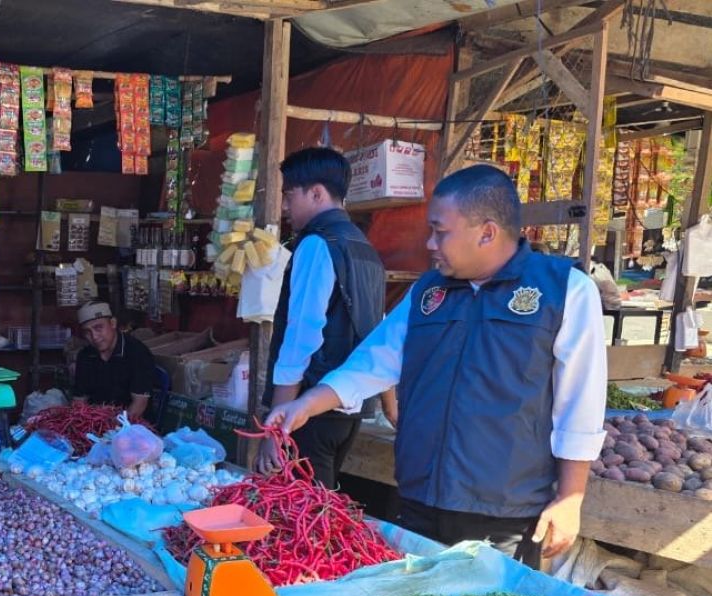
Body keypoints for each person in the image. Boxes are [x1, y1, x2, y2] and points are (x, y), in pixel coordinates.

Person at [267, 164, 606, 568]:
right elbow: (374, 362)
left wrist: (570, 498)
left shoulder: (563, 290)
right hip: (419, 499)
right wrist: (306, 404)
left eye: (440, 231)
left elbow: (580, 403)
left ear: (486, 231)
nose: (429, 243)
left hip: (505, 514)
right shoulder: (429, 292)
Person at [254, 146, 392, 488]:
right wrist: (390, 406)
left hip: (309, 411)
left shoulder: (317, 244)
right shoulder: (363, 247)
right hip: (347, 411)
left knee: (301, 516)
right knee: (319, 511)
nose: (285, 207)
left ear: (316, 193)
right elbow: (380, 329)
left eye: (289, 195)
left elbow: (299, 340)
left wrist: (276, 428)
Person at [72, 300, 155, 419]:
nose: (94, 337)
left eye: (98, 328)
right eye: (87, 332)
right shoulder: (85, 356)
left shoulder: (137, 353)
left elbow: (139, 405)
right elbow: (79, 402)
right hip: (97, 422)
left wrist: (113, 429)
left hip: (131, 427)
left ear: (113, 323)